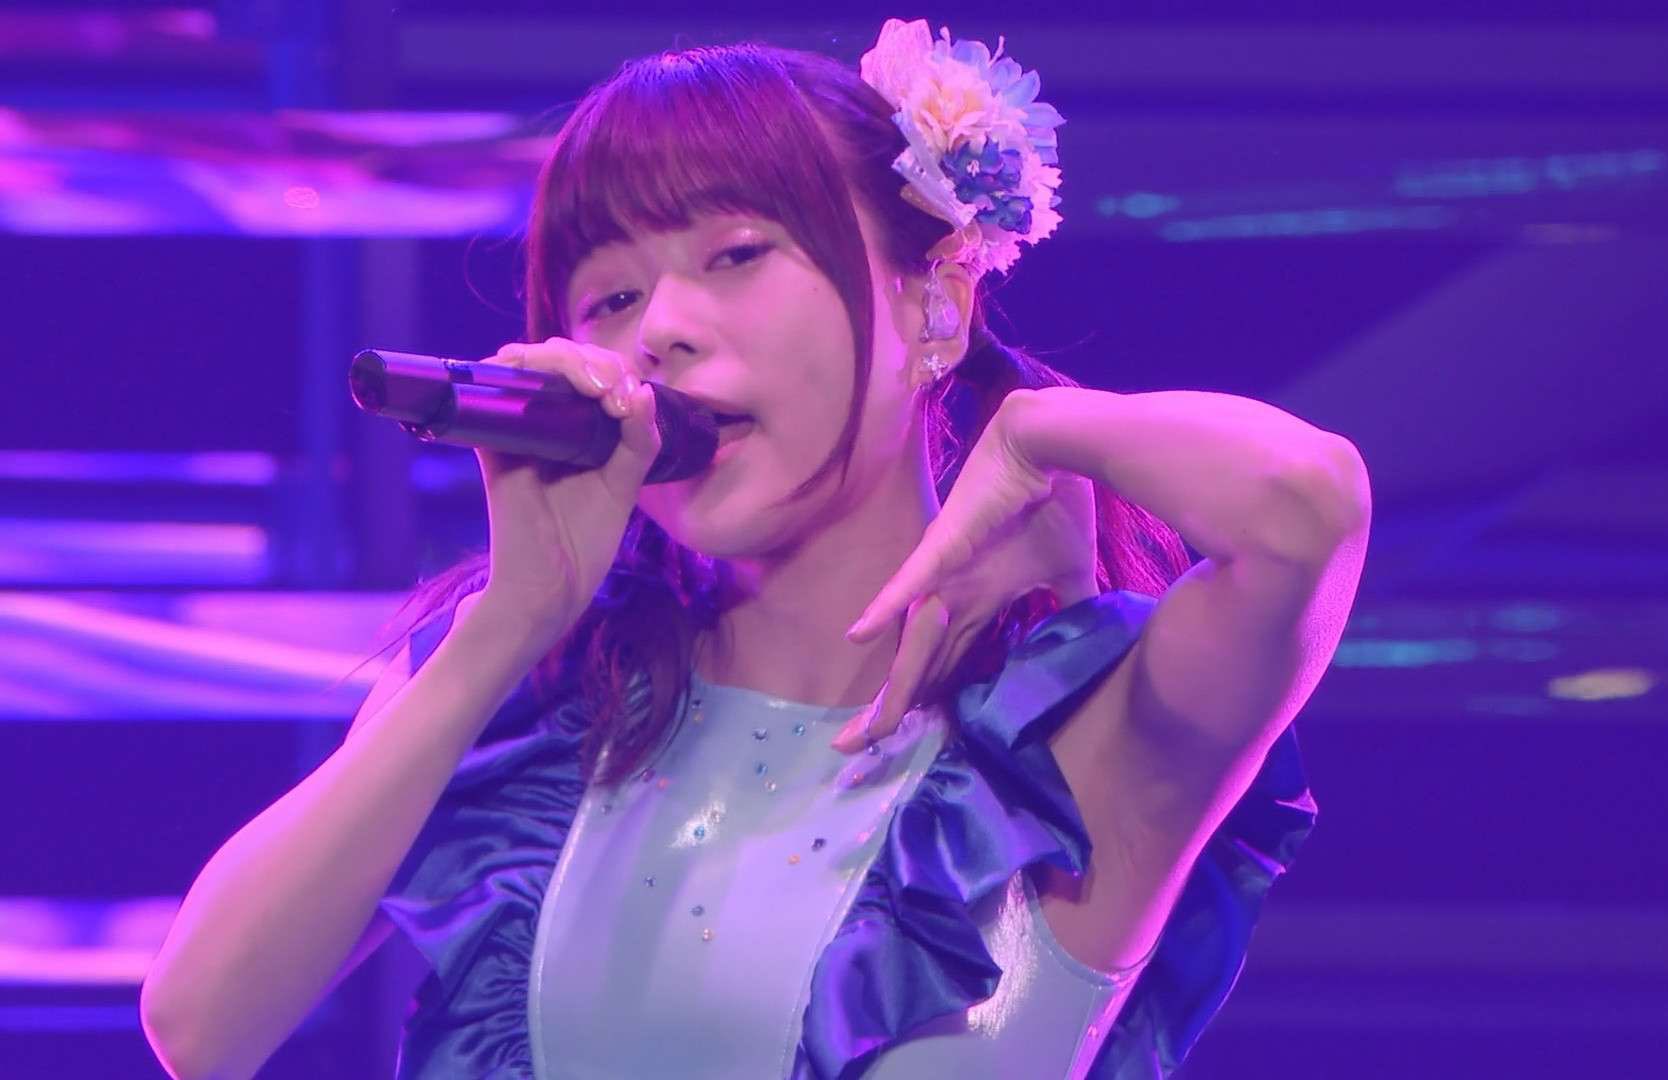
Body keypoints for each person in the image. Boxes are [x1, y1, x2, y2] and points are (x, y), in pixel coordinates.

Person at [140, 18, 1370, 1080]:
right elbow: (202, 1025)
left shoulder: (1078, 725)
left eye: (734, 256)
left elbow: (1307, 505)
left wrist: (1045, 430)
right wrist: (508, 623)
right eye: (611, 299)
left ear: (933, 305)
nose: (662, 331)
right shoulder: (541, 697)